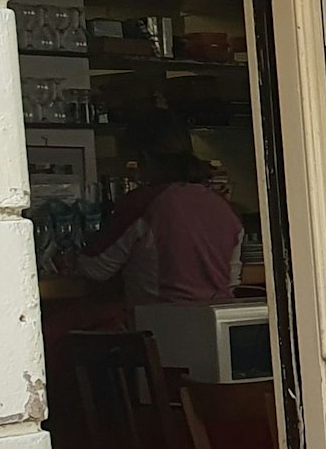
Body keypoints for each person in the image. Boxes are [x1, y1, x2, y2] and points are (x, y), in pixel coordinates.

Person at [72, 110, 245, 308]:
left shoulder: (142, 204)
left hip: (160, 326)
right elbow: (231, 280)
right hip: (217, 327)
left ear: (143, 158)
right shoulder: (224, 207)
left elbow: (95, 268)